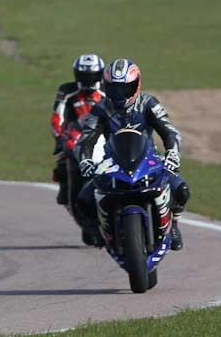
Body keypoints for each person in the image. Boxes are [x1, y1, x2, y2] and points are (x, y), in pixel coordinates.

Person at [75, 59, 189, 250]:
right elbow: (86, 138)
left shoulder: (148, 103)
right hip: (111, 162)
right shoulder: (101, 108)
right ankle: (100, 230)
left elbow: (170, 132)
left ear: (136, 85)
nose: (119, 95)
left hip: (149, 159)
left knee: (181, 190)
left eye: (125, 89)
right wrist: (84, 159)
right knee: (83, 200)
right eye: (113, 89)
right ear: (105, 87)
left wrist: (172, 154)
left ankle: (174, 223)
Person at [49, 54, 105, 205]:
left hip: (105, 135)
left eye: (93, 76)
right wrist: (60, 137)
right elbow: (57, 117)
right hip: (75, 136)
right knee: (62, 164)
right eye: (84, 76)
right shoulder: (67, 90)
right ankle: (68, 194)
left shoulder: (108, 90)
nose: (89, 81)